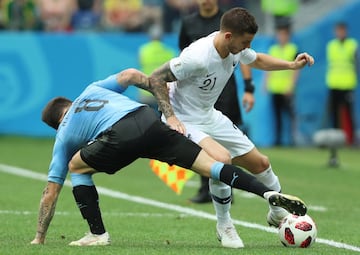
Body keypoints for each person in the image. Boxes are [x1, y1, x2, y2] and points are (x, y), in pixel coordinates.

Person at [30, 68, 307, 246]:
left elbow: (50, 193)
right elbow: (129, 75)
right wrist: (163, 101)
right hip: (149, 119)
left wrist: (39, 238)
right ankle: (267, 194)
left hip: (119, 137)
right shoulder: (92, 90)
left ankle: (97, 234)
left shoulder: (63, 134)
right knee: (212, 166)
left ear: (57, 122)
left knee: (75, 166)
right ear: (68, 102)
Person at [149, 7, 314, 249]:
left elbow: (256, 59)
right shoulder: (197, 57)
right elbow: (155, 78)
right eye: (245, 42)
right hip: (186, 120)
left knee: (262, 164)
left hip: (209, 115)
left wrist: (291, 65)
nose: (247, 47)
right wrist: (170, 116)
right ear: (228, 36)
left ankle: (277, 213)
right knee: (222, 160)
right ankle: (224, 224)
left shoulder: (236, 48)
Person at [178, 0, 256, 204]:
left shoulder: (229, 21)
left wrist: (249, 88)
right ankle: (207, 189)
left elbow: (244, 54)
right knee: (204, 144)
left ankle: (228, 185)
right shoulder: (188, 23)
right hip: (199, 94)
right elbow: (184, 56)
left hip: (225, 91)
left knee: (226, 144)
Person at [264, 24, 299, 146]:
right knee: (277, 116)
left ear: (288, 36)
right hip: (275, 87)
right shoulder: (273, 49)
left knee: (290, 116)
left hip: (287, 89)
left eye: (284, 34)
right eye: (280, 34)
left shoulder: (293, 49)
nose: (282, 37)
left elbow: (296, 70)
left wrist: (291, 86)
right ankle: (278, 140)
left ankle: (292, 140)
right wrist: (266, 83)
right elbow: (268, 66)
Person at [326, 21, 358, 145]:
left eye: (342, 30)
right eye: (338, 30)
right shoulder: (331, 45)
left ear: (346, 31)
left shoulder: (352, 44)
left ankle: (352, 140)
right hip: (334, 83)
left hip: (348, 84)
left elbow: (356, 64)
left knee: (349, 114)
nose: (340, 33)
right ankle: (336, 141)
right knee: (334, 114)